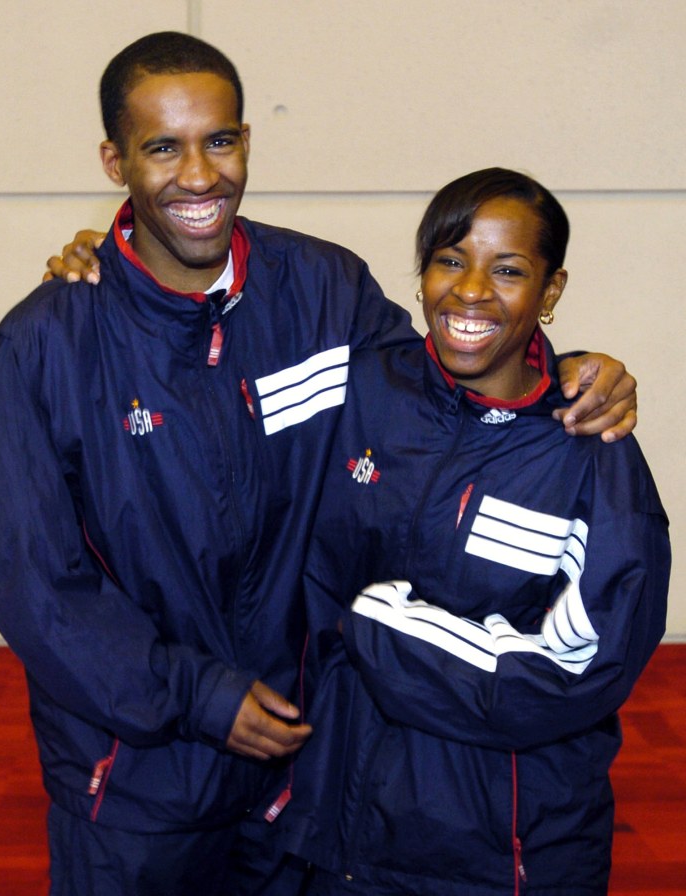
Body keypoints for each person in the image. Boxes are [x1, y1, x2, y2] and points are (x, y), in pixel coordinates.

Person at [0, 30, 636, 896]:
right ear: (114, 160)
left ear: (246, 139)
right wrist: (202, 699)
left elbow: (447, 398)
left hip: (304, 771)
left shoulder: (324, 290)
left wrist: (573, 375)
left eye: (221, 140)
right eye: (162, 147)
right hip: (138, 785)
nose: (200, 175)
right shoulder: (46, 344)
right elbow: (35, 583)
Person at [279, 168, 670, 895]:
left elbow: (581, 668)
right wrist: (103, 272)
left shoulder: (589, 447)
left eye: (510, 270)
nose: (470, 290)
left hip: (507, 855)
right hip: (345, 831)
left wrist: (375, 625)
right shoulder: (360, 392)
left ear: (550, 293)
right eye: (450, 260)